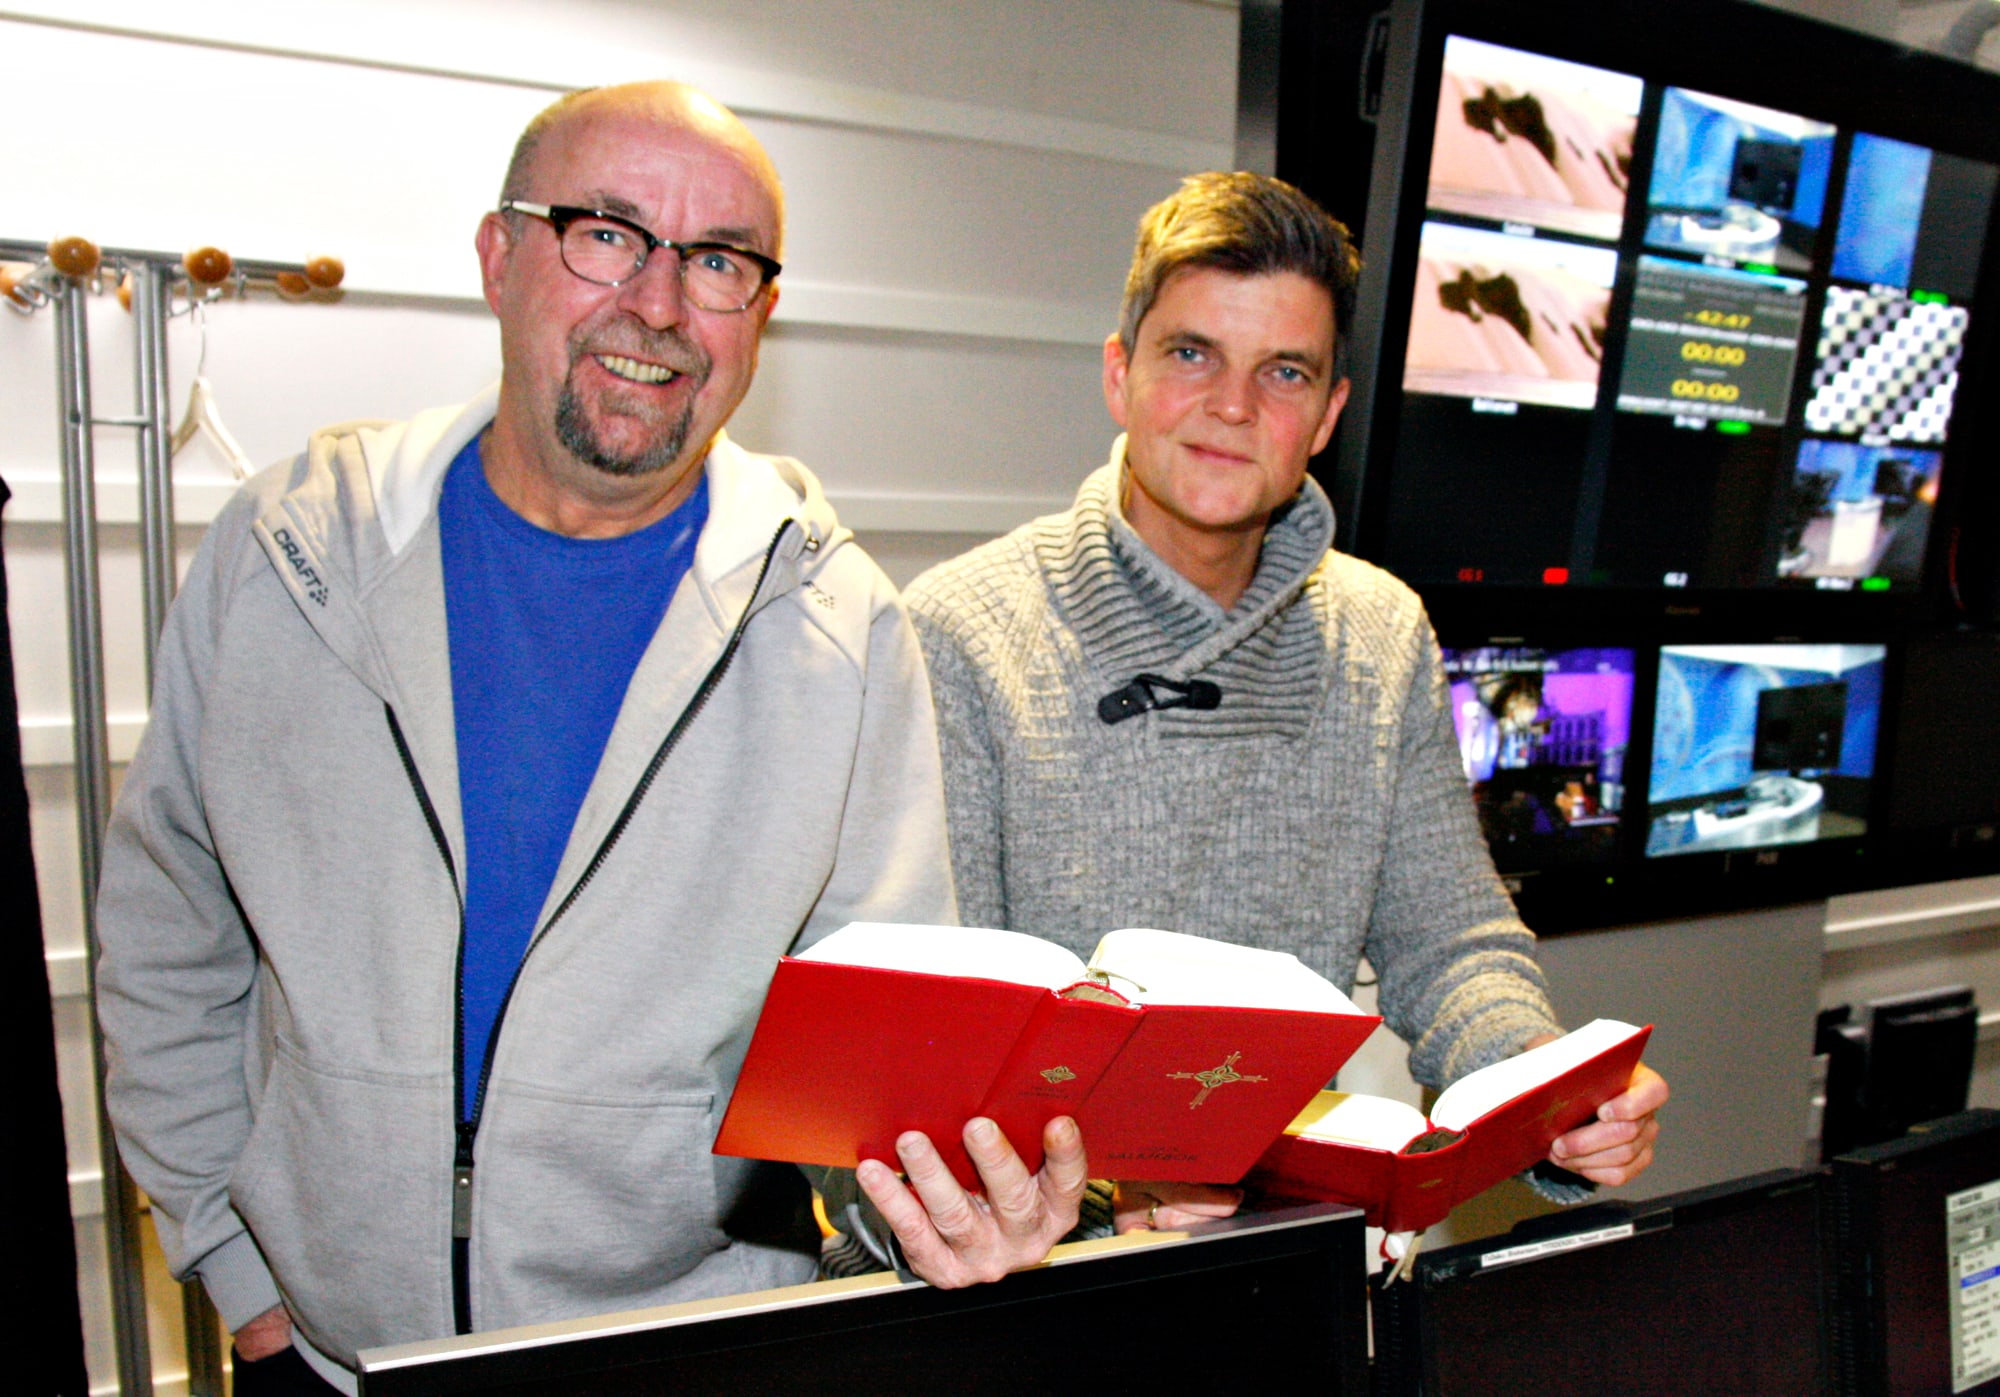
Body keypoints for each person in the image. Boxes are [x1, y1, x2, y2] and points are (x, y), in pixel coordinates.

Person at [94, 82, 1081, 1396]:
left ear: (760, 316)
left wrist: (947, 1207)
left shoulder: (839, 628)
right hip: (325, 1358)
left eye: (718, 261)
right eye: (605, 234)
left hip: (690, 1357)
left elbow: (880, 1051)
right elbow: (168, 934)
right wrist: (235, 1264)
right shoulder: (287, 560)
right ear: (498, 257)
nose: (659, 305)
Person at [903, 171, 1665, 1234]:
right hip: (1030, 1265)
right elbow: (936, 1039)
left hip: (1286, 1242)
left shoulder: (1379, 630)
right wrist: (1112, 1192)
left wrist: (1546, 1089)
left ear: (1326, 415)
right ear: (1119, 374)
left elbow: (1450, 943)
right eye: (1191, 354)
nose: (1232, 406)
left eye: (1283, 371)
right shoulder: (960, 631)